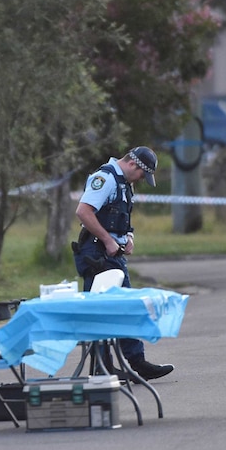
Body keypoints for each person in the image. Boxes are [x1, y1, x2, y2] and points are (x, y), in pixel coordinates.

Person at [72, 146, 174, 381]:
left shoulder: (124, 183)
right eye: (142, 174)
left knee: (123, 309)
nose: (141, 179)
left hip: (111, 253)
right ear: (132, 164)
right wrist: (108, 241)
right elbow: (83, 212)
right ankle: (112, 366)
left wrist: (128, 237)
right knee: (105, 312)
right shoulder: (105, 178)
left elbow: (119, 218)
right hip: (97, 253)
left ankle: (126, 364)